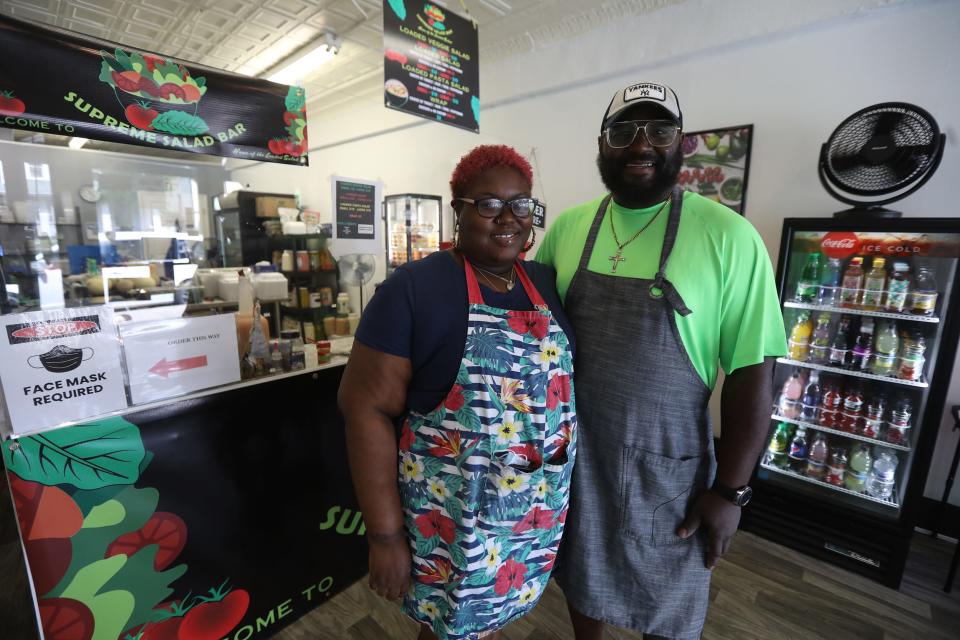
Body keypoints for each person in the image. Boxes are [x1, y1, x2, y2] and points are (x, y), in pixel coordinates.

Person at [536, 82, 787, 639]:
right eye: (623, 131)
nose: (640, 145)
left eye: (659, 130)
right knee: (581, 577)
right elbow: (537, 340)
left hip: (668, 466)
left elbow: (754, 373)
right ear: (602, 144)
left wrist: (732, 492)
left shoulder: (730, 237)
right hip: (575, 457)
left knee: (668, 601)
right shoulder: (570, 228)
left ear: (681, 143)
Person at [338, 144, 577, 640]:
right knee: (452, 627)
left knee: (487, 626)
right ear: (459, 210)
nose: (508, 217)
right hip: (455, 520)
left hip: (529, 516)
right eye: (488, 204)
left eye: (521, 204)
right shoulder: (414, 289)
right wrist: (384, 536)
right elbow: (365, 409)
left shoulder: (544, 283)